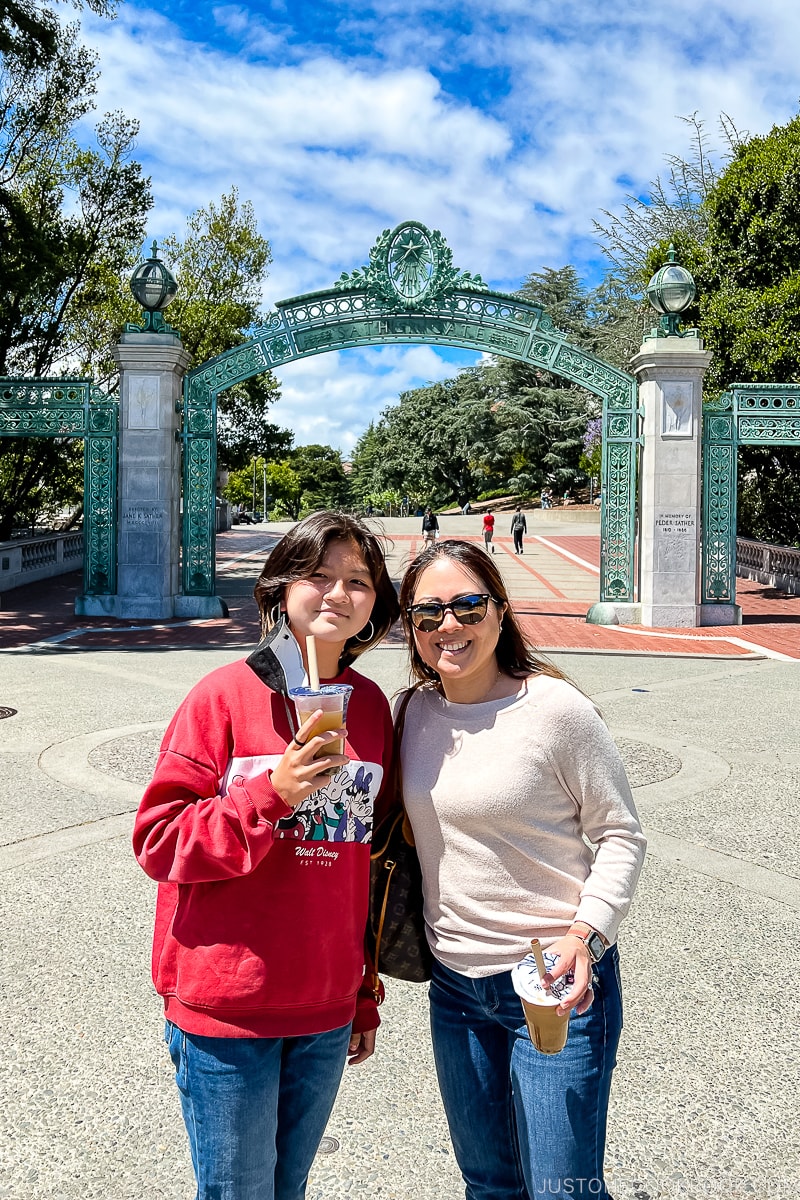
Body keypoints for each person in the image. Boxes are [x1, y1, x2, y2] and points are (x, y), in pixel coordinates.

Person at [133, 511, 400, 1200]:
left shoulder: (370, 708)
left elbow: (358, 867)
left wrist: (362, 992)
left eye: (358, 581)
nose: (338, 593)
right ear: (280, 589)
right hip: (228, 1007)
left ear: (375, 606)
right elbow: (159, 842)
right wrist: (270, 794)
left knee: (289, 1188)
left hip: (324, 1007)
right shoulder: (222, 697)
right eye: (319, 575)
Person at [396, 539, 646, 1200]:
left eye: (468, 606)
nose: (448, 626)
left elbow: (620, 832)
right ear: (412, 629)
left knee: (562, 1188)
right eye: (427, 615)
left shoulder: (557, 711)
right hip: (454, 985)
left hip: (554, 982)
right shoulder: (412, 713)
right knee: (488, 1183)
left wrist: (586, 933)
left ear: (501, 612)